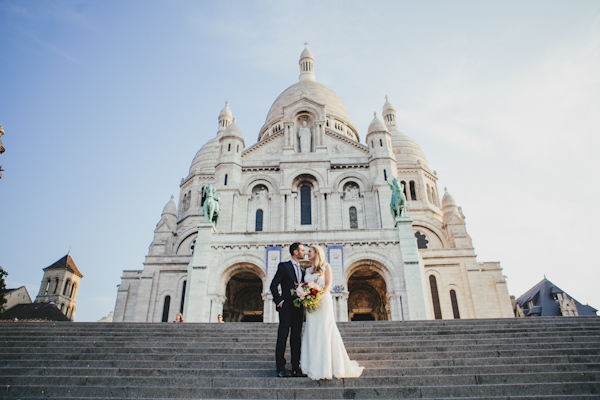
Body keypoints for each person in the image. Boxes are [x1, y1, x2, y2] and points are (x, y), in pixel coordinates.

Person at [301, 245, 364, 380]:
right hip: (311, 304)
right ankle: (311, 365)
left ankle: (326, 366)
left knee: (325, 330)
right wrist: (305, 296)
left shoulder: (326, 266)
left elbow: (329, 285)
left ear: (317, 253)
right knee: (312, 331)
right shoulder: (306, 270)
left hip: (323, 302)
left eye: (310, 251)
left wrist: (318, 298)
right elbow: (303, 286)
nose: (307, 254)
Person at [269, 242, 307, 378]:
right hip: (286, 306)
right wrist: (279, 301)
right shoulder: (284, 266)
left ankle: (296, 368)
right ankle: (281, 368)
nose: (304, 252)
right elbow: (273, 285)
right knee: (283, 336)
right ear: (295, 252)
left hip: (298, 306)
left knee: (296, 337)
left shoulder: (303, 271)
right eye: (302, 250)